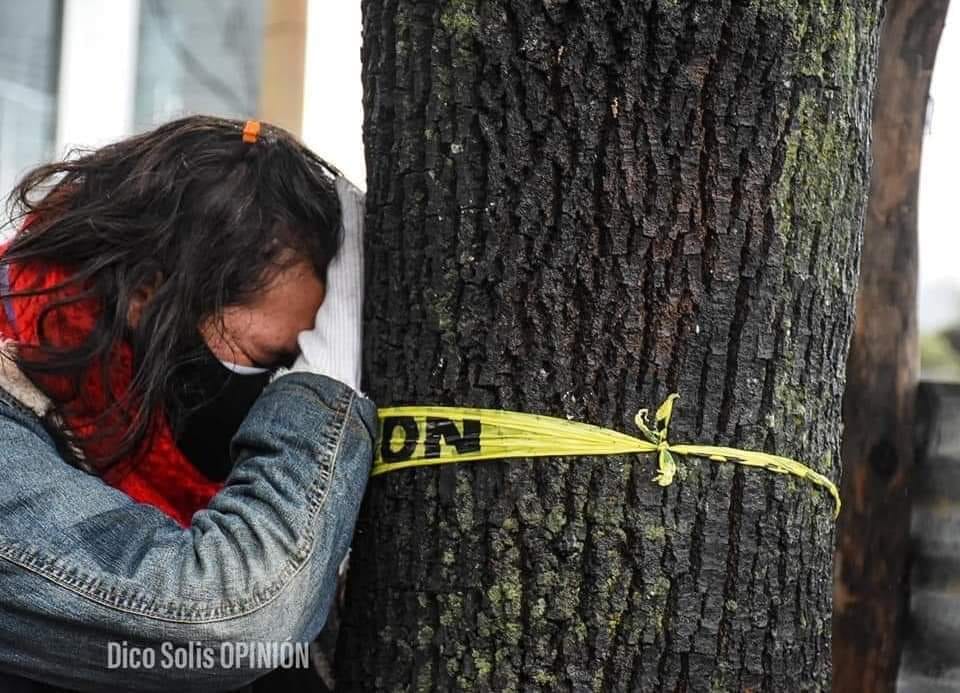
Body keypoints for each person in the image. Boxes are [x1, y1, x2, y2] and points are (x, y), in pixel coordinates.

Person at [0, 115, 374, 692]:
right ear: (146, 298)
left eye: (310, 362)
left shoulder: (120, 427)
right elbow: (226, 624)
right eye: (273, 360)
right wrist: (326, 399)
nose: (280, 393)